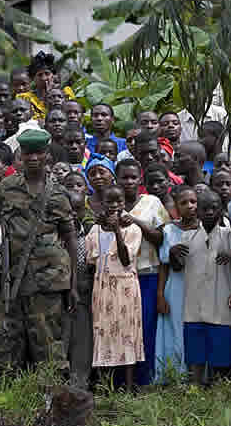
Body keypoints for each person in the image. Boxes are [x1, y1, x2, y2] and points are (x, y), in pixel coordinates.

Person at [0, 129, 78, 372]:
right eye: (28, 153)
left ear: (47, 156)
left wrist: (74, 283)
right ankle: (10, 401)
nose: (33, 158)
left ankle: (50, 400)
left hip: (47, 282)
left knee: (47, 344)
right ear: (20, 156)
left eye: (38, 153)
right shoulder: (6, 188)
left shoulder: (57, 194)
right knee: (4, 340)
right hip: (10, 279)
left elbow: (71, 239)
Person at [117, 159, 170, 385]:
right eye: (124, 177)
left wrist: (135, 221)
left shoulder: (152, 202)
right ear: (116, 180)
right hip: (119, 277)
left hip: (147, 274)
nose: (128, 181)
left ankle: (145, 379)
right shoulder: (112, 204)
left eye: (133, 177)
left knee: (146, 327)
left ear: (140, 180)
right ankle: (120, 381)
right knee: (123, 328)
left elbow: (161, 237)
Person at [178, 190, 231, 385]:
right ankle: (195, 388)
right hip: (194, 305)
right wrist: (173, 253)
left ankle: (219, 389)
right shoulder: (187, 237)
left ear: (221, 210)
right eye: (205, 208)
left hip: (221, 302)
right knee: (195, 354)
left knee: (221, 353)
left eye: (214, 208)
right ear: (198, 212)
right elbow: (177, 266)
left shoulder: (230, 235)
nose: (210, 212)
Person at [87, 184, 144, 390]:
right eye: (110, 202)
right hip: (102, 287)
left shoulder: (133, 229)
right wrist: (104, 226)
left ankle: (128, 388)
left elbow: (126, 259)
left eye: (119, 201)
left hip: (125, 287)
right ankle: (106, 386)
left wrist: (117, 230)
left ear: (124, 203)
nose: (114, 205)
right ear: (103, 204)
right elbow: (91, 261)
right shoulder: (95, 230)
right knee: (103, 332)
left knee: (126, 333)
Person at [155, 185, 198, 382]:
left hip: (199, 287)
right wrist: (160, 295)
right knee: (175, 328)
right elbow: (164, 266)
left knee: (195, 329)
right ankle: (175, 374)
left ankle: (197, 374)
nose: (190, 206)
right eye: (184, 203)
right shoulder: (169, 230)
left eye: (193, 202)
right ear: (176, 207)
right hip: (176, 287)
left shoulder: (208, 227)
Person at [63, 191, 93, 388]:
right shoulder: (53, 236)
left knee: (82, 342)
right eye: (69, 211)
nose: (73, 215)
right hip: (59, 297)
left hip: (84, 295)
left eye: (78, 210)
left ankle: (79, 385)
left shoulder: (91, 234)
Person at [16, 52, 75, 123]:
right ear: (33, 79)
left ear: (53, 75)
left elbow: (70, 115)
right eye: (40, 75)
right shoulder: (25, 98)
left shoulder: (66, 93)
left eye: (47, 74)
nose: (44, 78)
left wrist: (51, 95)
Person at [85, 153, 116, 217]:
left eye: (102, 172)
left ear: (113, 175)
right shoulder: (84, 203)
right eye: (92, 174)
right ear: (88, 179)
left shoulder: (122, 201)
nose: (97, 177)